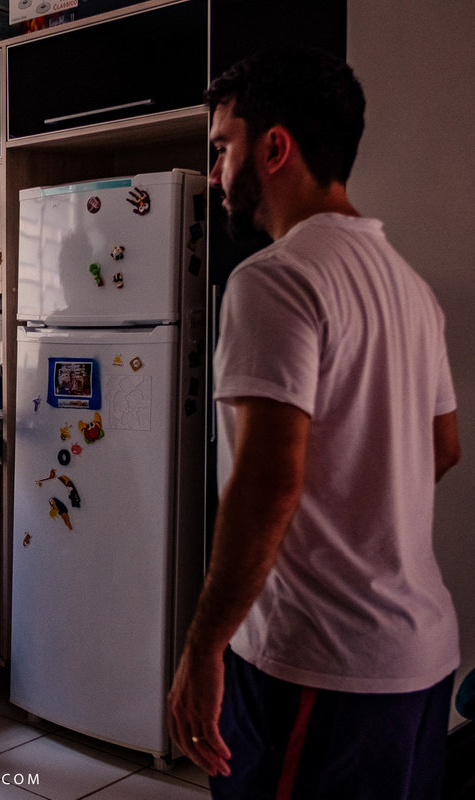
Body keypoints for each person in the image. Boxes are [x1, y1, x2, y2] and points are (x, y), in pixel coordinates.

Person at [167, 46, 461, 799]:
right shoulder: (411, 288)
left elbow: (268, 485)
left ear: (274, 148)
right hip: (420, 659)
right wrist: (360, 501)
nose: (214, 173)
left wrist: (204, 648)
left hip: (317, 665)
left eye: (222, 148)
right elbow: (442, 446)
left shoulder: (275, 279)